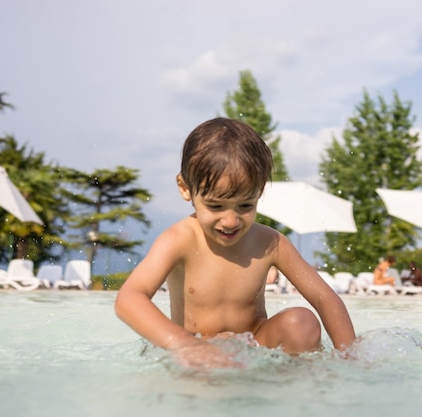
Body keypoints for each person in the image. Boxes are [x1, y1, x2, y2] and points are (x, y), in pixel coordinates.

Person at [115, 118, 356, 369]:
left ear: (259, 192)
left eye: (245, 206)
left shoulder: (270, 242)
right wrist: (183, 344)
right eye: (215, 206)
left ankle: (288, 393)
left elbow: (324, 297)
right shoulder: (178, 240)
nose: (230, 221)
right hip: (199, 350)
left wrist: (351, 358)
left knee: (301, 322)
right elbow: (129, 299)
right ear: (186, 188)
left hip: (255, 347)